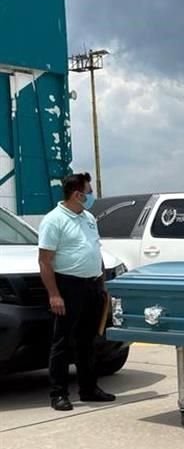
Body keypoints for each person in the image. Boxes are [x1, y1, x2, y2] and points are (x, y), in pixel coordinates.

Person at [38, 172, 115, 411]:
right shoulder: (54, 220)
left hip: (92, 285)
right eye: (89, 192)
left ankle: (89, 389)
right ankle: (58, 393)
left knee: (88, 341)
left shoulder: (89, 217)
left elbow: (94, 249)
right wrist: (54, 294)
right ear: (77, 194)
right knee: (62, 342)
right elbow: (44, 261)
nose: (92, 196)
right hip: (68, 286)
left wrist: (101, 283)